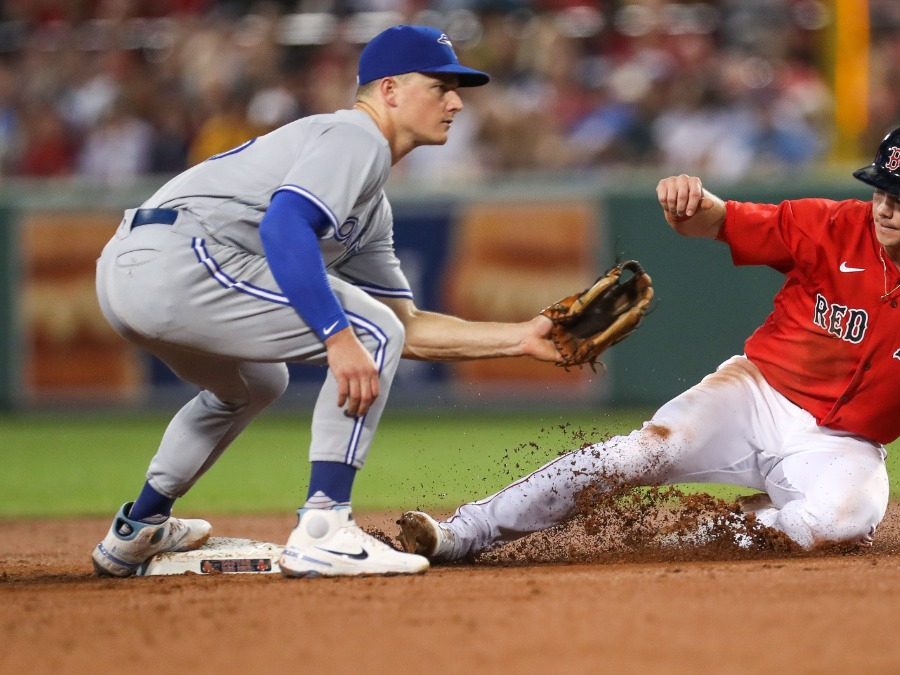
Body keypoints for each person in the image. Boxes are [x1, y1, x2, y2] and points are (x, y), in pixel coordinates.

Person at [399, 123, 900, 561]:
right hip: (755, 394)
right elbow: (722, 221)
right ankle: (462, 532)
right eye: (878, 186)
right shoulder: (831, 224)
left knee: (842, 520)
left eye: (899, 196)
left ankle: (697, 535)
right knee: (635, 453)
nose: (880, 202)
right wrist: (690, 202)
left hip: (845, 444)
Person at [91, 25, 560, 578]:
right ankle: (324, 527)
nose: (456, 101)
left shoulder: (371, 205)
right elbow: (285, 225)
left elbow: (405, 328)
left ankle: (138, 528)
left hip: (134, 271)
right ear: (388, 90)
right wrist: (338, 337)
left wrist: (521, 337)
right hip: (177, 257)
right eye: (439, 86)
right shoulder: (355, 136)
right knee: (364, 330)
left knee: (258, 383)